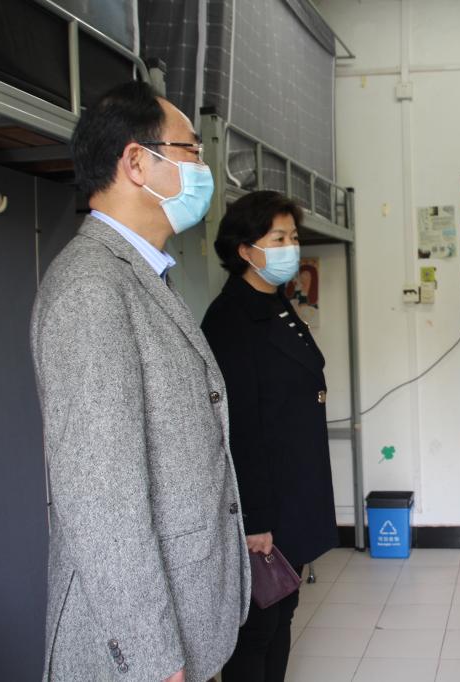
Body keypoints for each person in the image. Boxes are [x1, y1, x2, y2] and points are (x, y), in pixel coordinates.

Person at [30, 81, 249, 681]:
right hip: (137, 653)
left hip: (185, 617)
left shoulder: (139, 276)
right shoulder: (91, 289)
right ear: (136, 162)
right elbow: (101, 501)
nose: (203, 168)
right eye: (191, 151)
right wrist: (154, 660)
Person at [202, 190, 338, 682]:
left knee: (283, 611)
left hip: (293, 494)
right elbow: (237, 427)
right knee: (256, 627)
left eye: (293, 237)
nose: (290, 247)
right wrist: (254, 520)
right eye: (278, 238)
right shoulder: (231, 319)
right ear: (245, 250)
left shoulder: (276, 302)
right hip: (264, 505)